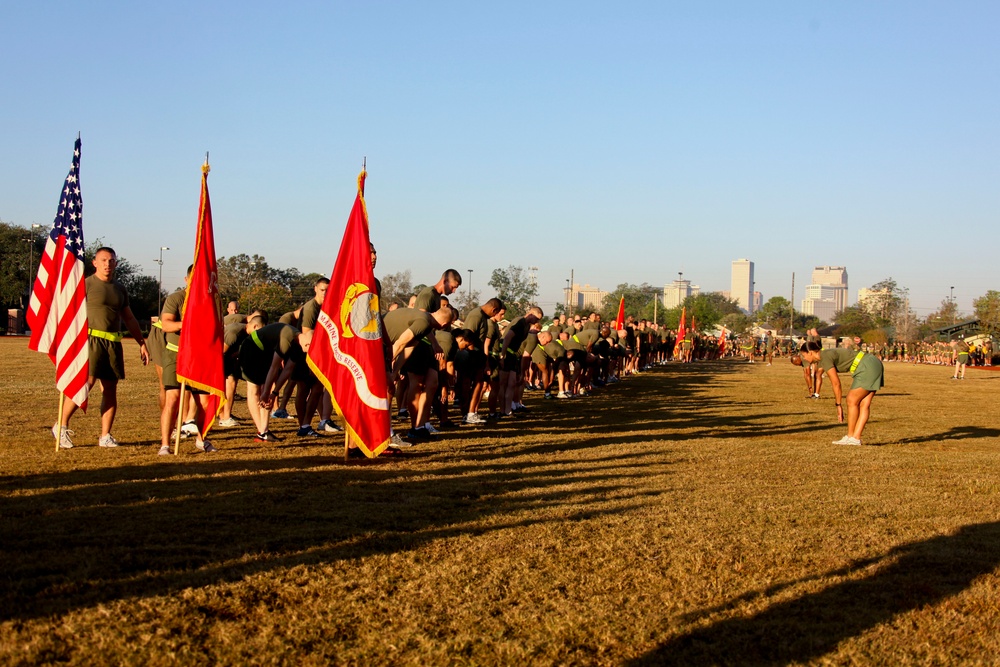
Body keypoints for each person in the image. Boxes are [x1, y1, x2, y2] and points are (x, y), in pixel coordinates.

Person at [53, 247, 150, 449]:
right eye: (103, 260)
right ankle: (61, 426)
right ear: (95, 263)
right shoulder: (86, 285)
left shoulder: (120, 288)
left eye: (111, 260)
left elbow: (129, 318)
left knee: (110, 389)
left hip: (113, 343)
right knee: (85, 383)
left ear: (116, 263)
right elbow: (69, 312)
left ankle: (105, 436)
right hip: (91, 341)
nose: (107, 264)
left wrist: (142, 342)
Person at [792, 341, 884, 446]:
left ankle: (851, 436)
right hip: (872, 362)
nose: (804, 359)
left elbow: (836, 383)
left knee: (851, 400)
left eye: (804, 355)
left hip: (866, 365)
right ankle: (855, 438)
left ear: (811, 352)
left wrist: (838, 405)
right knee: (864, 404)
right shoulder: (823, 357)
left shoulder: (824, 356)